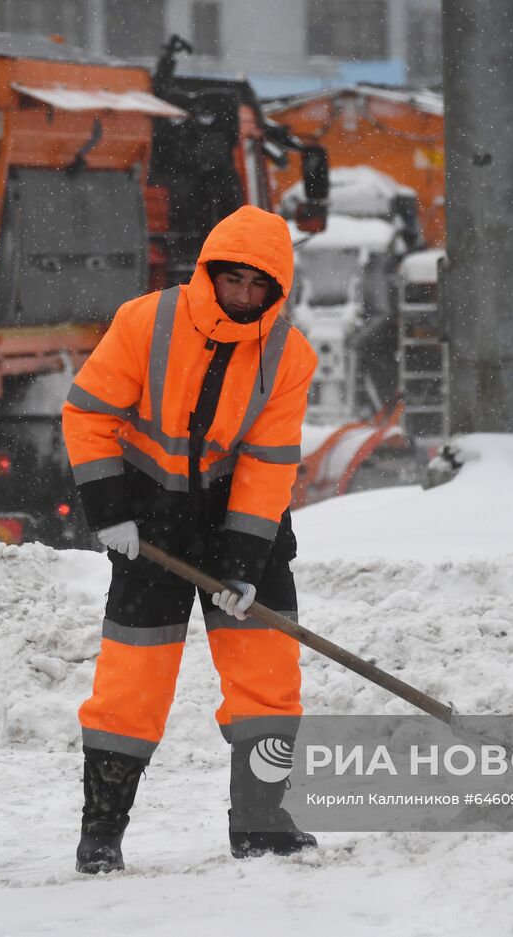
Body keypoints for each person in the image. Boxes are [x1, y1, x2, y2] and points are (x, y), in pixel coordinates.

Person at [61, 204, 318, 874]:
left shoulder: (289, 355)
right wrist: (110, 510)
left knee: (268, 674)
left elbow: (267, 465)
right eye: (231, 278)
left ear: (276, 289)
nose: (241, 294)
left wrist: (244, 562)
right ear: (210, 272)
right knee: (132, 682)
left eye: (256, 284)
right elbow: (88, 415)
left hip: (243, 526)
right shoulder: (146, 321)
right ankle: (102, 833)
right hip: (150, 525)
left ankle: (261, 821)